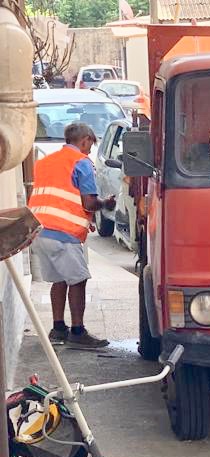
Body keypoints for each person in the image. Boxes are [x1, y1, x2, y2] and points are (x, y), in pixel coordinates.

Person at [28, 122, 112, 349]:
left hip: (39, 230)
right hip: (62, 233)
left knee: (60, 279)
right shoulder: (81, 162)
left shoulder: (45, 162)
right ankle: (77, 331)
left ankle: (58, 328)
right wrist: (107, 203)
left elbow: (57, 196)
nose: (90, 150)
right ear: (85, 140)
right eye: (90, 145)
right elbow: (90, 202)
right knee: (78, 279)